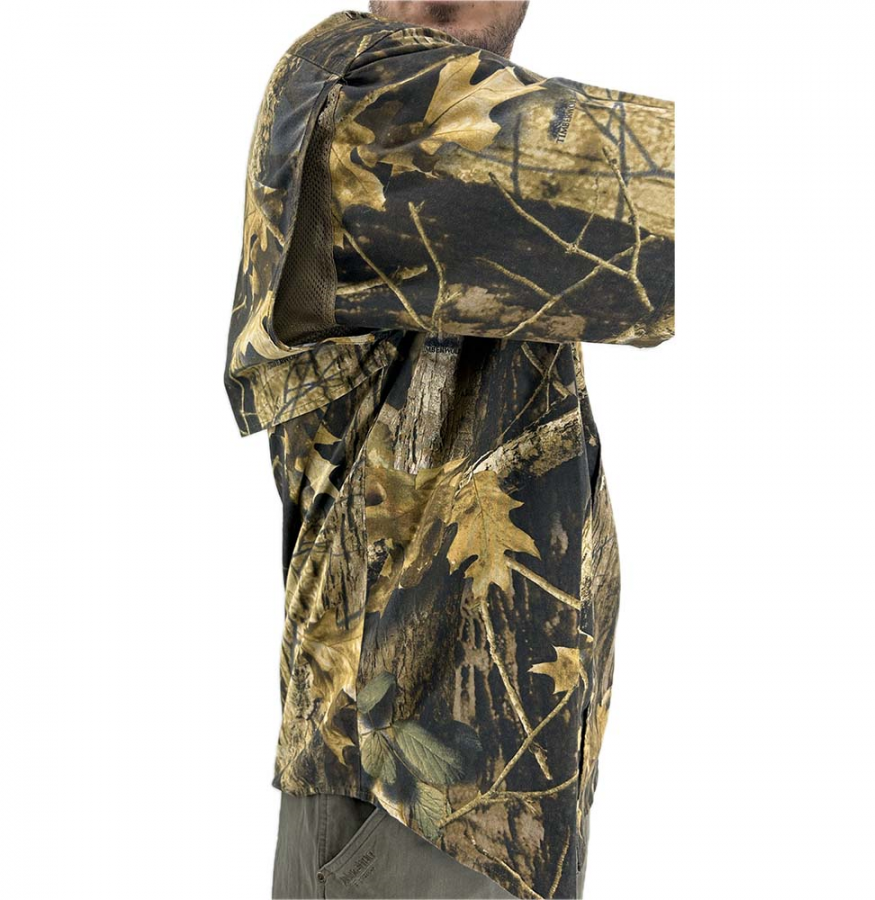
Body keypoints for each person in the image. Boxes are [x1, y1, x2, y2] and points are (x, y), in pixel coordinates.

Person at [222, 3, 675, 897]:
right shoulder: (361, 95)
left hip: (495, 822)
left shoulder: (480, 186)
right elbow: (662, 207)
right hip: (403, 815)